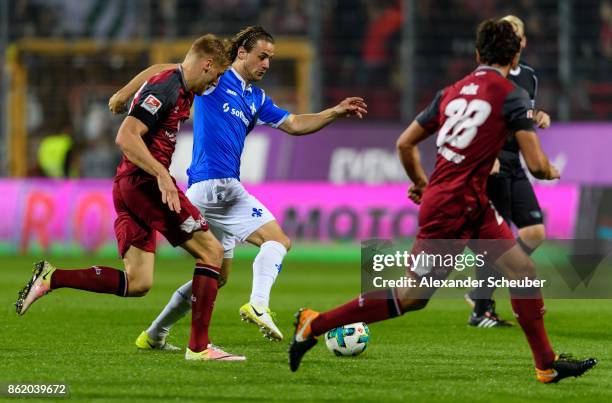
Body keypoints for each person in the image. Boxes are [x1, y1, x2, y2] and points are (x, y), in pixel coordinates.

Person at [288, 19, 598, 383]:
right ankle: (315, 323)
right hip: (452, 207)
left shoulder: (451, 91)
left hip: (469, 202)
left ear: (478, 53)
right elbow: (537, 165)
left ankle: (546, 365)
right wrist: (548, 170)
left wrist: (422, 183)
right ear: (514, 54)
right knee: (411, 297)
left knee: (523, 273)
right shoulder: (510, 94)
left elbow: (405, 143)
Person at [109, 26, 367, 345]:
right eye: (262, 56)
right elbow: (163, 70)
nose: (267, 64)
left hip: (211, 191)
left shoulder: (256, 98)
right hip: (216, 186)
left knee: (216, 276)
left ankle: (154, 334)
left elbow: (295, 123)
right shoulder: (216, 80)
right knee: (278, 241)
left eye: (270, 59)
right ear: (241, 54)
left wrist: (334, 112)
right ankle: (259, 304)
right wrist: (124, 93)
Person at [15, 34, 245, 361]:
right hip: (145, 183)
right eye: (216, 75)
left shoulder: (179, 77)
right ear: (207, 65)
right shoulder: (166, 89)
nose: (215, 83)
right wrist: (162, 174)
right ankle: (199, 347)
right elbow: (125, 136)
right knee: (212, 251)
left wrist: (123, 93)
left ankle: (53, 277)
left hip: (128, 184)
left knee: (138, 282)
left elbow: (157, 67)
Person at [465, 15, 552, 328]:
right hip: (495, 160)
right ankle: (481, 311)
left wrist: (538, 115)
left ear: (523, 42)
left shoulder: (529, 75)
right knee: (495, 238)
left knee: (534, 233)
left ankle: (480, 291)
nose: (511, 37)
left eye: (516, 33)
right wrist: (488, 156)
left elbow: (523, 114)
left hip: (515, 161)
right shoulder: (485, 76)